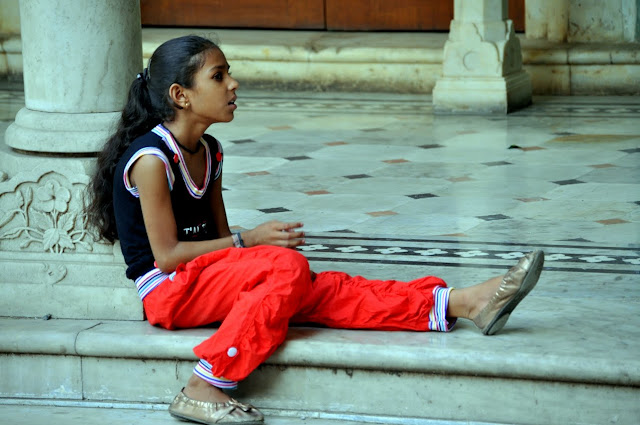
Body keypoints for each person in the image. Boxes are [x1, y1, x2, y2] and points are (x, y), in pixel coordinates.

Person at [87, 35, 545, 425]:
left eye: (229, 74)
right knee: (288, 268)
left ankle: (461, 303)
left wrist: (255, 254)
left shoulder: (211, 150)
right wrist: (254, 243)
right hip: (168, 291)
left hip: (206, 278)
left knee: (321, 288)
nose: (233, 84)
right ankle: (203, 384)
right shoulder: (151, 160)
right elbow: (167, 256)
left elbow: (225, 249)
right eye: (219, 76)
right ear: (180, 95)